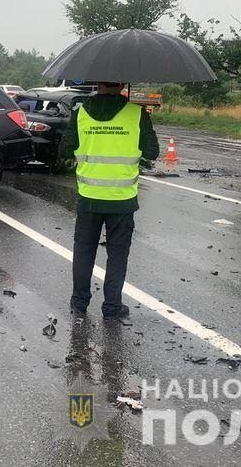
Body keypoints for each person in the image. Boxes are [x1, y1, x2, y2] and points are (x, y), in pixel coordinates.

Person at [60, 82, 159, 320]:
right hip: (121, 200)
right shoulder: (137, 114)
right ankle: (112, 306)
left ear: (97, 83)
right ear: (122, 84)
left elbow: (65, 149)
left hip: (89, 198)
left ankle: (79, 301)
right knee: (117, 254)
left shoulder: (81, 113)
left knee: (84, 251)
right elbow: (152, 152)